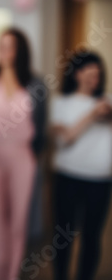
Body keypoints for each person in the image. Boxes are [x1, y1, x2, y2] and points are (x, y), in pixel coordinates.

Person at [0, 28, 47, 280]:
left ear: (21, 51)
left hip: (22, 159)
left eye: (11, 46)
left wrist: (33, 156)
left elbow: (41, 129)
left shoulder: (36, 85)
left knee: (18, 222)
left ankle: (11, 275)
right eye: (1, 45)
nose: (4, 51)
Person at [51, 51, 112, 280]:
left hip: (100, 179)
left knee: (92, 237)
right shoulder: (62, 103)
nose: (94, 77)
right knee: (62, 236)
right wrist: (92, 114)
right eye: (89, 72)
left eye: (98, 73)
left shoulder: (108, 101)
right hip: (68, 177)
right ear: (77, 74)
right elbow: (64, 139)